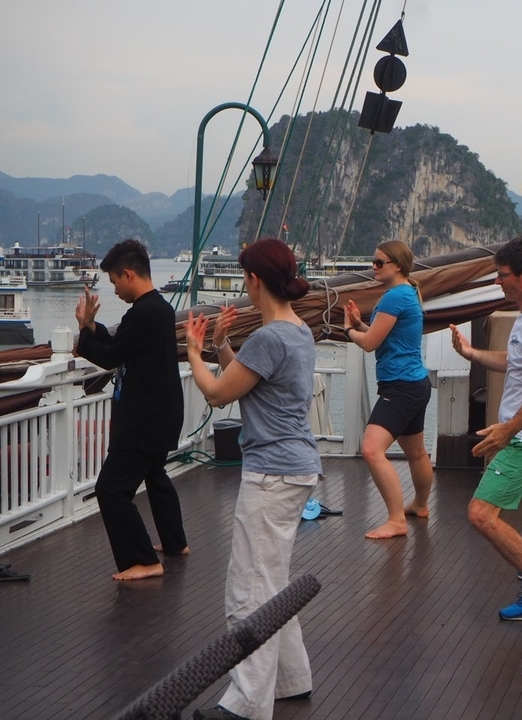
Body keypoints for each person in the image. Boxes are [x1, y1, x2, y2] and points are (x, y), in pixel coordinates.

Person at [187, 238, 321, 720]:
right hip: (296, 466)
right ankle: (290, 679)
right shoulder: (297, 330)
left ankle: (244, 706)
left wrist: (194, 351)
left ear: (254, 281)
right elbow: (249, 381)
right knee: (272, 582)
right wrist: (221, 344)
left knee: (248, 592)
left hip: (270, 474)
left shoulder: (269, 337)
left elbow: (219, 394)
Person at [449, 235, 522, 621]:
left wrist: (507, 430)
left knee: (481, 515)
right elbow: (517, 361)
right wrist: (471, 354)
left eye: (502, 275)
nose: (497, 282)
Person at [75, 238, 188, 581]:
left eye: (114, 282)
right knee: (155, 475)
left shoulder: (141, 313)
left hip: (143, 420)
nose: (115, 290)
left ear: (127, 274)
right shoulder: (160, 309)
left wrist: (83, 330)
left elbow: (109, 356)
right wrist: (93, 329)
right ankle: (174, 543)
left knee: (110, 490)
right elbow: (120, 346)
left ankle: (142, 561)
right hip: (162, 414)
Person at [343, 240, 434, 539]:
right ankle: (420, 505)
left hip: (401, 387)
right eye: (374, 261)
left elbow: (369, 345)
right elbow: (382, 337)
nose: (374, 267)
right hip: (416, 384)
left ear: (397, 265)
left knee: (371, 449)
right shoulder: (407, 293)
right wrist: (360, 323)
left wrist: (348, 330)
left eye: (379, 263)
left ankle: (396, 520)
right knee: (417, 454)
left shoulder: (394, 297)